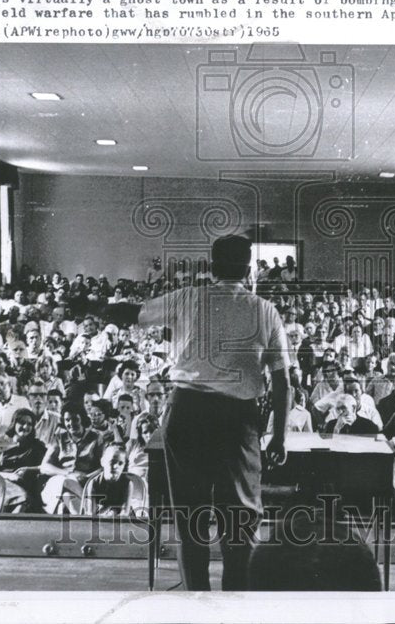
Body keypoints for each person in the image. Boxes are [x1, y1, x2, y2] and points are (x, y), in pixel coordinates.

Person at [138, 234, 291, 591]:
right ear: (248, 269)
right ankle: (235, 603)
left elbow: (140, 313)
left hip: (187, 411)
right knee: (239, 516)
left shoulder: (187, 297)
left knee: (190, 515)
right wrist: (279, 436)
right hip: (236, 419)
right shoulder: (263, 309)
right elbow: (282, 383)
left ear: (211, 267)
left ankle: (197, 606)